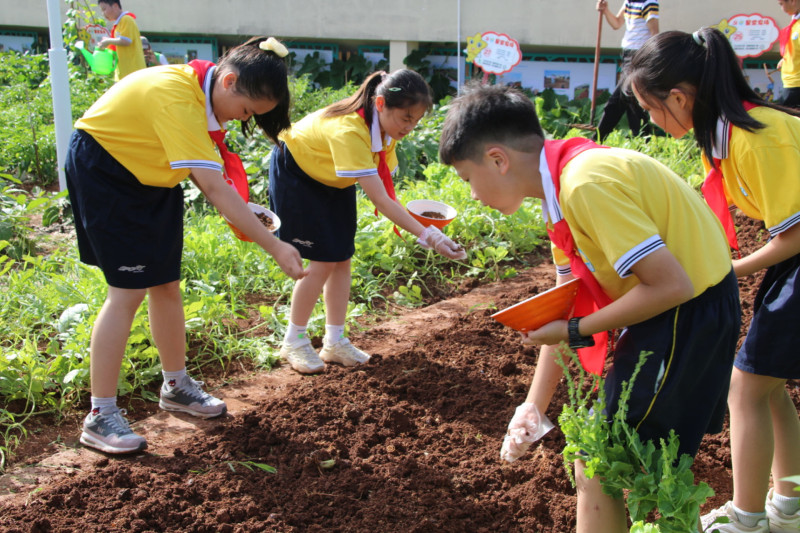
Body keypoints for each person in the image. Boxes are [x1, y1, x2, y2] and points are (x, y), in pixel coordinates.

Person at [438, 82, 741, 533]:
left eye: (467, 178)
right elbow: (566, 300)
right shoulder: (561, 188)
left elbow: (670, 285)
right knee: (601, 458)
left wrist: (578, 330)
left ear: (498, 160)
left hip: (685, 315)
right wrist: (533, 406)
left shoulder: (586, 184)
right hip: (672, 311)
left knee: (605, 459)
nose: (473, 194)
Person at [66, 36, 306, 454]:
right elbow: (212, 186)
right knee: (127, 291)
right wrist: (276, 245)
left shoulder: (200, 95)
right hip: (108, 173)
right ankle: (100, 415)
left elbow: (212, 179)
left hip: (152, 175)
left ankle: (176, 386)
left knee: (165, 285)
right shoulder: (176, 94)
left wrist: (248, 214)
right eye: (246, 111)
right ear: (229, 81)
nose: (241, 120)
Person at [627, 27, 800, 533]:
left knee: (745, 386)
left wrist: (722, 272)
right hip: (790, 263)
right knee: (765, 385)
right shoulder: (723, 138)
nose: (653, 122)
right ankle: (788, 505)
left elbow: (794, 234)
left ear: (680, 97)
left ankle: (748, 519)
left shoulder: (756, 136)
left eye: (652, 109)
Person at [269, 69, 467, 374]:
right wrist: (430, 236)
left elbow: (385, 190)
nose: (410, 128)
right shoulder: (350, 130)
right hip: (298, 174)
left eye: (416, 121)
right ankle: (293, 340)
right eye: (406, 118)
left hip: (331, 176)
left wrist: (429, 231)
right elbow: (380, 200)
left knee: (341, 257)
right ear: (380, 104)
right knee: (321, 261)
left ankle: (334, 341)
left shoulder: (384, 131)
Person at [593, 0, 659, 140]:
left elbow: (655, 33)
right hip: (627, 55)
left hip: (639, 57)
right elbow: (617, 23)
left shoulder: (648, 3)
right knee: (632, 102)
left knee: (617, 100)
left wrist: (651, 60)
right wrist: (605, 10)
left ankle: (597, 138)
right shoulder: (628, 2)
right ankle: (643, 140)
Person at [95, 0, 146, 81]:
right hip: (124, 72)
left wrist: (108, 41)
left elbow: (126, 41)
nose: (103, 13)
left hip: (133, 72)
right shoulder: (118, 24)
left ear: (115, 6)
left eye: (104, 9)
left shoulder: (126, 19)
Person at [778, 0, 800, 108]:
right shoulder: (795, 23)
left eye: (781, 4)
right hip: (791, 85)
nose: (781, 8)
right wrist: (785, 59)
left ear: (792, 1)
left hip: (796, 86)